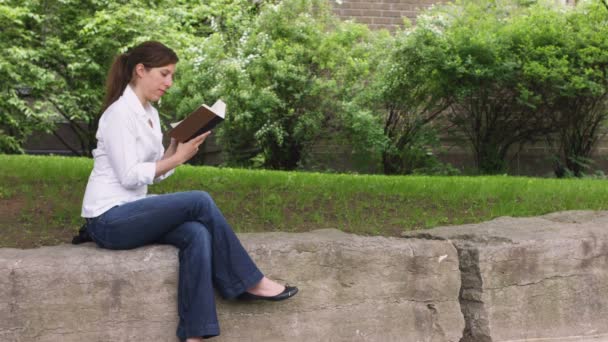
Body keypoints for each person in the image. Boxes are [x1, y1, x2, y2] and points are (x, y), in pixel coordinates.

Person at [81, 41, 298, 341]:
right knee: (199, 200)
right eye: (164, 74)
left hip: (133, 212)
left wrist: (176, 147)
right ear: (140, 71)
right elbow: (130, 176)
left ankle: (195, 334)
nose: (169, 83)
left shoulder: (149, 113)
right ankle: (250, 281)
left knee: (197, 233)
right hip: (108, 221)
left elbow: (154, 171)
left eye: (172, 75)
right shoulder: (119, 114)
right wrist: (177, 158)